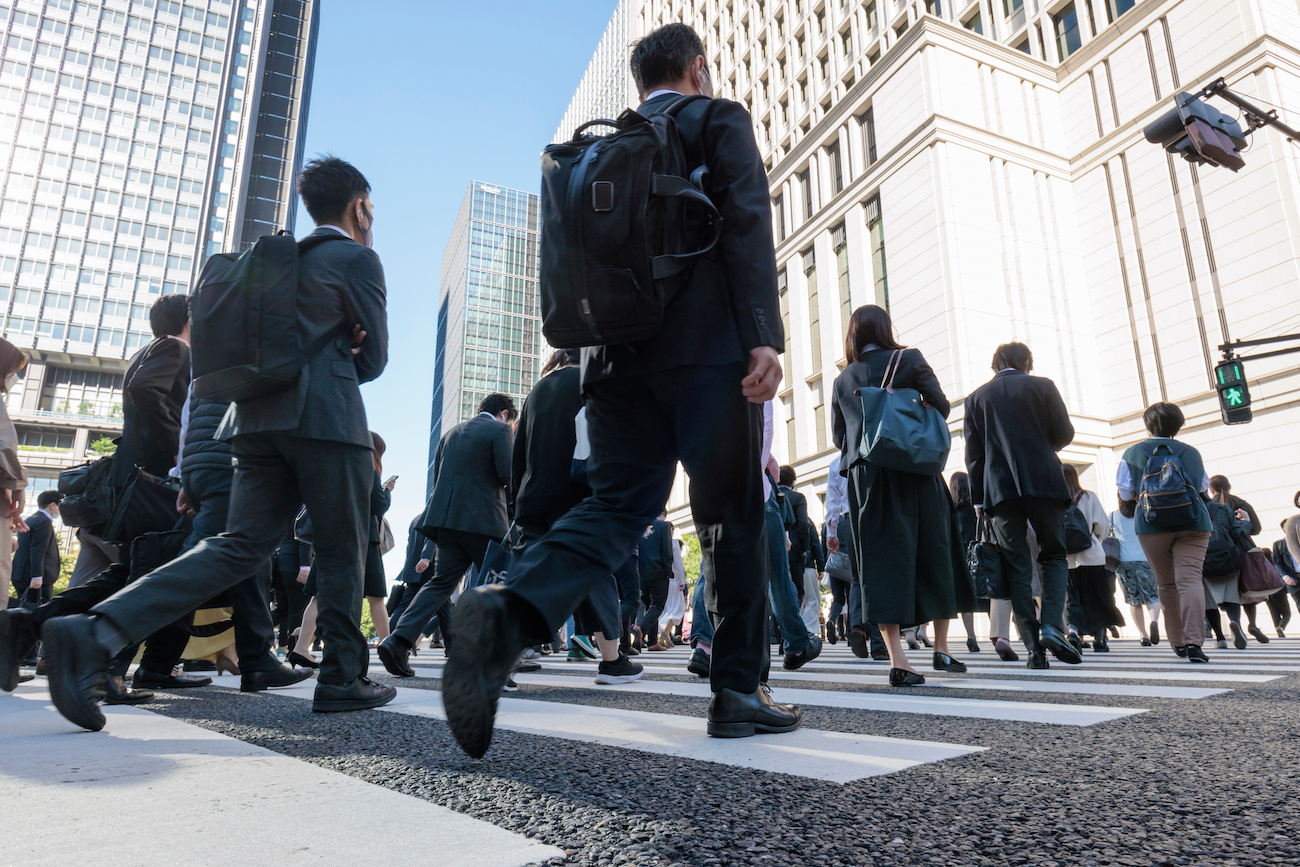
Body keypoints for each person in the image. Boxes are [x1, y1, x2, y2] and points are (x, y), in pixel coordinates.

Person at [440, 23, 796, 758]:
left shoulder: (595, 149)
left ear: (639, 84)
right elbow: (746, 222)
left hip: (611, 362)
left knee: (618, 506)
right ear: (698, 67)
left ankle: (504, 616)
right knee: (731, 514)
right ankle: (736, 689)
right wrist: (764, 332)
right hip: (708, 356)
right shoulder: (718, 119)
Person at [38, 155, 392, 730]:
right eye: (369, 209)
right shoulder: (356, 258)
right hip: (327, 418)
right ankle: (343, 676)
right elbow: (373, 359)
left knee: (235, 546)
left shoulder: (267, 265)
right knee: (343, 544)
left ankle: (95, 631)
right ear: (359, 207)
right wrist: (354, 339)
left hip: (249, 423)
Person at [1, 295, 204, 705]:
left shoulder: (147, 351)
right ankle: (103, 669)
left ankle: (27, 626)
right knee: (153, 573)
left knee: (137, 569)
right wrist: (176, 453)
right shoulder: (174, 348)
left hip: (136, 481)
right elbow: (150, 393)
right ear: (188, 319)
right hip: (153, 482)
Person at [831, 305, 971, 686]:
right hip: (915, 469)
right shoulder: (908, 359)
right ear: (886, 328)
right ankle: (942, 646)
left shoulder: (844, 379)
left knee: (880, 563)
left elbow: (839, 438)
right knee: (936, 552)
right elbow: (940, 404)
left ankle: (898, 659)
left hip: (868, 478)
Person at [507, 347, 641, 684]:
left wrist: (516, 503)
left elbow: (518, 451)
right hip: (576, 494)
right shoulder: (591, 384)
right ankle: (612, 662)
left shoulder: (536, 391)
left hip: (533, 498)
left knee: (534, 578)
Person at [377, 393, 515, 677]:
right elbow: (506, 474)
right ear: (503, 413)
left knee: (440, 584)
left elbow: (439, 478)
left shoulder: (451, 433)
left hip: (448, 521)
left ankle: (398, 640)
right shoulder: (500, 429)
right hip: (486, 521)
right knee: (500, 583)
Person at [964, 341, 1081, 669]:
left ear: (995, 363)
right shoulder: (1042, 386)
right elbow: (1065, 433)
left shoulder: (976, 398)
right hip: (1044, 480)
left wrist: (978, 499)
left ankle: (1033, 651)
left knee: (1017, 567)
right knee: (1054, 555)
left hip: (999, 490)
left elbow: (974, 455)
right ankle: (1052, 626)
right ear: (1027, 361)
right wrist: (1044, 447)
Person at [1116, 402, 1213, 663]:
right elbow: (1203, 486)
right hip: (1193, 523)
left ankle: (1178, 642)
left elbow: (1126, 492)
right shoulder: (1190, 452)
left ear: (1148, 425)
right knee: (1190, 579)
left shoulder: (1132, 453)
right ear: (1178, 425)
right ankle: (1195, 642)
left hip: (1151, 524)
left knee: (1166, 583)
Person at [1062, 465, 1123, 652]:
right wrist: (1095, 538)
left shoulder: (1054, 500)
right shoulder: (1089, 497)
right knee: (1098, 597)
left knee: (1072, 599)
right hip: (1092, 556)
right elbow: (1102, 526)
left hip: (1067, 558)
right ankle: (1099, 638)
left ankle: (1073, 632)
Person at [1208, 475, 1270, 644]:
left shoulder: (1211, 506)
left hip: (1225, 553)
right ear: (1229, 486)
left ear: (1210, 489)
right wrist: (1246, 522)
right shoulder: (1241, 503)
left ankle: (1238, 627)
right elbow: (1256, 528)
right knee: (1248, 589)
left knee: (1231, 592)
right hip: (1245, 549)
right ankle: (1253, 624)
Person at [1108, 507, 1161, 646]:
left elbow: (1105, 534)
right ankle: (1154, 621)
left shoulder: (1113, 515)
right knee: (1152, 596)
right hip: (1145, 559)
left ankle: (1143, 635)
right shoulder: (1144, 512)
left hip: (1124, 561)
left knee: (1134, 600)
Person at [949, 471, 986, 654]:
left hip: (960, 559)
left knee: (966, 599)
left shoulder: (951, 509)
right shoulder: (976, 507)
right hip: (980, 556)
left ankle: (971, 636)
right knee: (989, 594)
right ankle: (998, 635)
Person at [364, 433, 395, 643]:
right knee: (376, 597)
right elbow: (378, 505)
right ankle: (388, 645)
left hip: (335, 535)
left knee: (321, 596)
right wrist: (387, 491)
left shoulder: (341, 465)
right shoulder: (370, 469)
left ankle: (301, 643)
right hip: (366, 537)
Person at [13, 491, 62, 608]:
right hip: (36, 578)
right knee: (37, 614)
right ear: (52, 505)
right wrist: (37, 576)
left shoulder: (30, 519)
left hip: (20, 574)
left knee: (22, 610)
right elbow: (38, 550)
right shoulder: (44, 521)